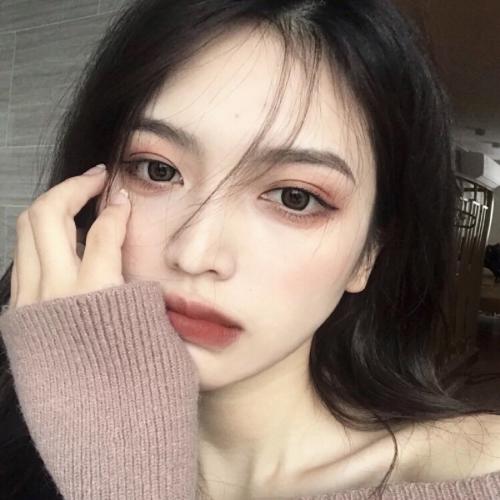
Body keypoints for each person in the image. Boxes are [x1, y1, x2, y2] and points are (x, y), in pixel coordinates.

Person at [0, 0, 499, 498]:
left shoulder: (474, 477)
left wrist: (117, 472)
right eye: (157, 170)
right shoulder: (21, 423)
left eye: (295, 197)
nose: (195, 254)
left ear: (369, 253)